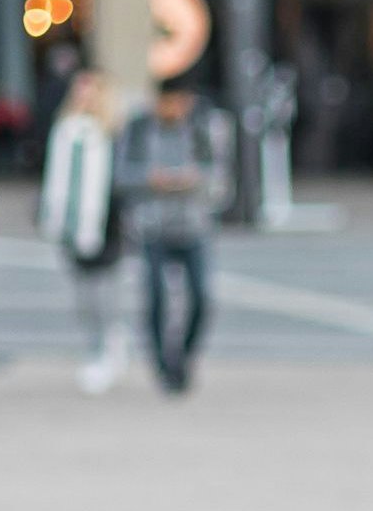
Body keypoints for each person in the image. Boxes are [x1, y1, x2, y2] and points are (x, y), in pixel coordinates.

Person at [121, 76, 231, 395]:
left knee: (202, 297)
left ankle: (183, 355)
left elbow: (220, 178)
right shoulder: (140, 129)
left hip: (193, 227)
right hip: (152, 227)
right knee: (155, 297)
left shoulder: (201, 131)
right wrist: (149, 180)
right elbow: (122, 174)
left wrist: (193, 180)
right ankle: (162, 362)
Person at [36, 68, 130, 393]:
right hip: (71, 226)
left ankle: (106, 350)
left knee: (103, 295)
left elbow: (120, 183)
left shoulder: (113, 134)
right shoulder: (64, 132)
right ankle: (96, 346)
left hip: (106, 227)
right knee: (82, 297)